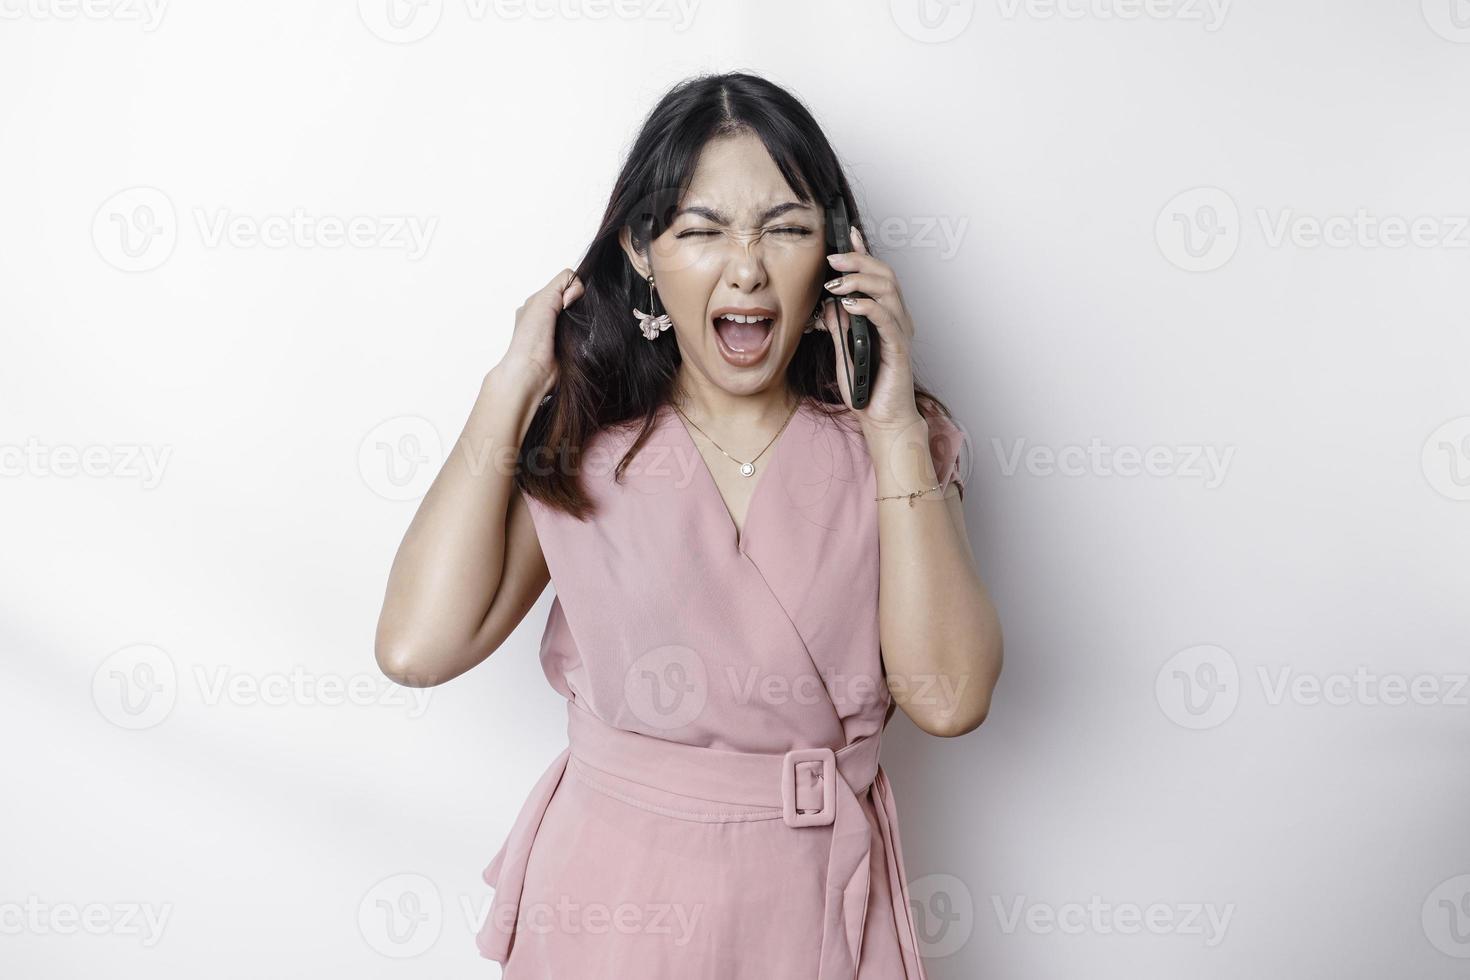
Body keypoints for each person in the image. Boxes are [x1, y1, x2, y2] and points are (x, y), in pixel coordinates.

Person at [374, 71, 1003, 979]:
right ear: (640, 247)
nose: (746, 266)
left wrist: (895, 423)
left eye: (784, 227)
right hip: (613, 905)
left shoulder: (895, 446)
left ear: (836, 248)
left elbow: (951, 698)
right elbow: (416, 648)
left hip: (813, 905)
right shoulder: (581, 443)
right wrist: (509, 385)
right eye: (702, 231)